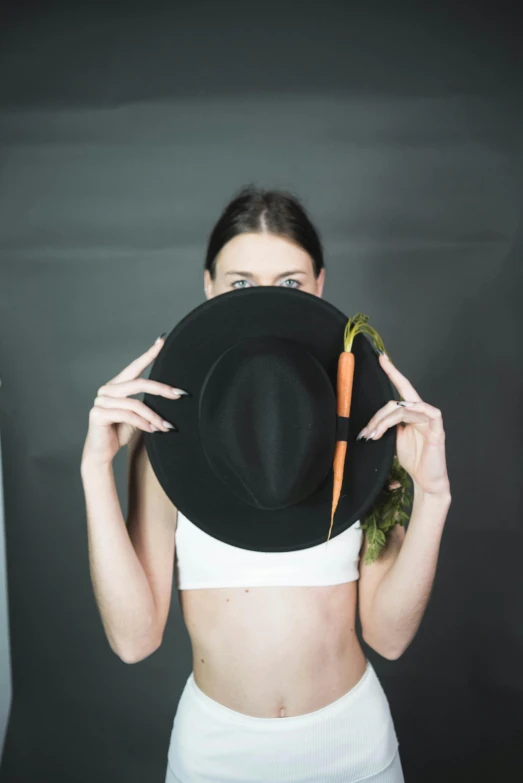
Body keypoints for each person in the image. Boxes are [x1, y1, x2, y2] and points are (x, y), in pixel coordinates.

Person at [80, 185, 452, 782]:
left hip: (352, 747)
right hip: (215, 753)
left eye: (290, 283)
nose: (263, 300)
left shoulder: (367, 428)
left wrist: (432, 497)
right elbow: (133, 639)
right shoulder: (166, 443)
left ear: (319, 285)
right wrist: (94, 471)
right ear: (208, 286)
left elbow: (389, 636)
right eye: (239, 283)